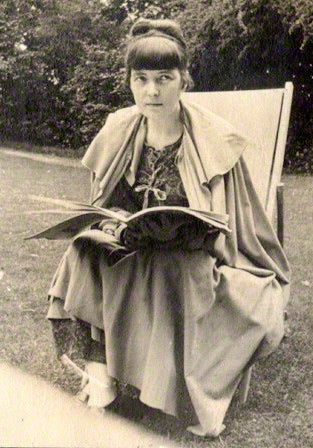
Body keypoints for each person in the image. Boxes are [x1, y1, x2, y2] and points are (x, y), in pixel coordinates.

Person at [46, 18, 290, 437]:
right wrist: (112, 224)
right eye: (141, 79)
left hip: (196, 256)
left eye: (164, 78)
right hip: (136, 246)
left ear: (183, 80)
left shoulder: (215, 139)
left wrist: (185, 231)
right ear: (130, 82)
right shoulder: (121, 129)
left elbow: (234, 227)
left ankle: (173, 392)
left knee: (173, 267)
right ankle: (100, 373)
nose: (152, 91)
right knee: (84, 249)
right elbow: (106, 202)